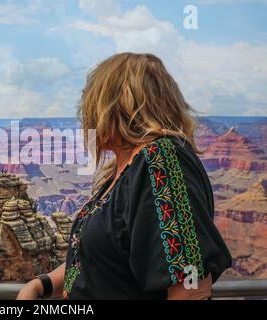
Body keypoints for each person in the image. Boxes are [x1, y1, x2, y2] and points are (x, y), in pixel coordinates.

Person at [16, 53, 232, 300]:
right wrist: (40, 285)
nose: (86, 119)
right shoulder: (126, 169)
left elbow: (192, 288)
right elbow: (100, 258)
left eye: (90, 106)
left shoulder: (159, 162)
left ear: (112, 108)